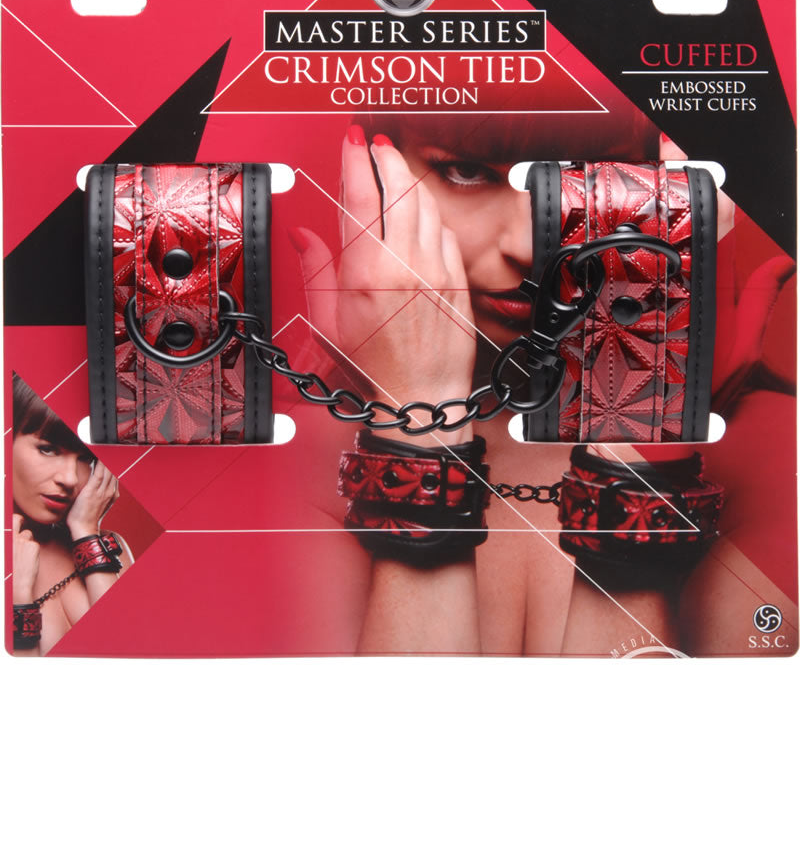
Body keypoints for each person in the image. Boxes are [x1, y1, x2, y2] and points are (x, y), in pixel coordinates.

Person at [288, 114, 796, 656]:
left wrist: (647, 419)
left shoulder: (775, 458)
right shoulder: (294, 465)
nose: (528, 244)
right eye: (467, 171)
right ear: (366, 177)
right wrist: (418, 423)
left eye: (587, 172)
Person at [11, 375, 133, 655]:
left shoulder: (110, 546)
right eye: (47, 449)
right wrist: (18, 593)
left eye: (85, 457)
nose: (69, 478)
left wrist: (85, 531)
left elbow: (129, 652)